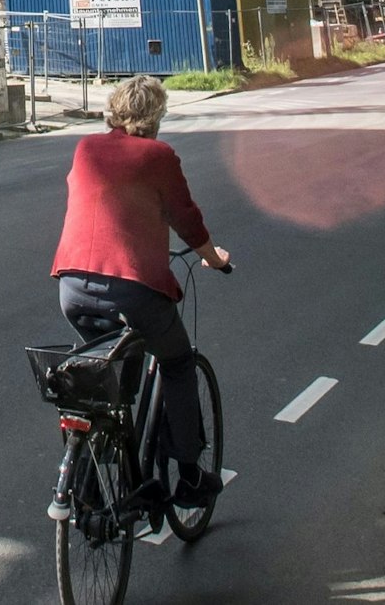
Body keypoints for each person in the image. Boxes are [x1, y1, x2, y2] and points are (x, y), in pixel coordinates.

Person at [51, 74, 232, 510]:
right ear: (155, 118)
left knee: (107, 384)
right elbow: (186, 219)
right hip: (132, 289)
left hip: (72, 285)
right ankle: (188, 477)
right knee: (177, 363)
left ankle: (94, 483)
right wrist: (213, 257)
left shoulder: (86, 148)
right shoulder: (158, 155)